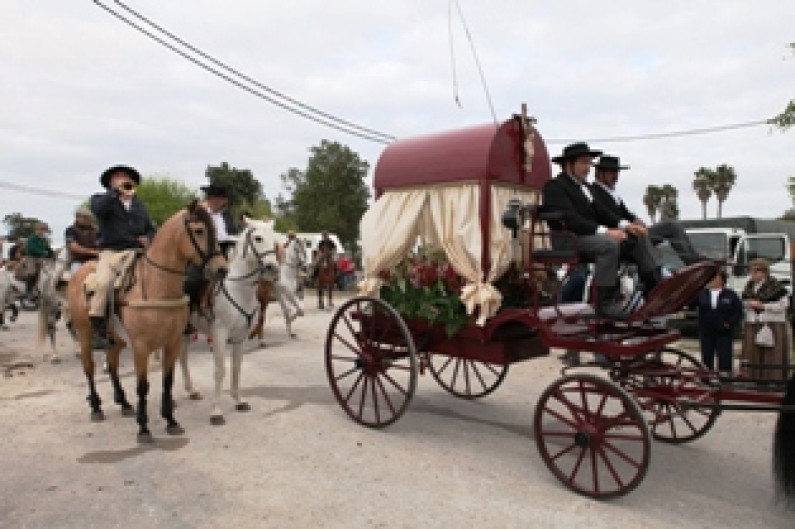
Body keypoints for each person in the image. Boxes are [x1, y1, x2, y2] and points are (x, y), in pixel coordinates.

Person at [542, 142, 662, 320]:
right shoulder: (555, 187)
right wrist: (605, 231)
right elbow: (571, 219)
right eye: (583, 162)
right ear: (569, 164)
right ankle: (603, 304)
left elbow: (603, 212)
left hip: (589, 236)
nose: (588, 168)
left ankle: (655, 288)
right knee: (609, 244)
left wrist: (626, 225)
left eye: (589, 163)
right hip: (569, 239)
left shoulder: (586, 188)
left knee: (636, 238)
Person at [590, 155, 708, 266]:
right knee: (671, 227)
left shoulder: (612, 194)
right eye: (612, 172)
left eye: (617, 172)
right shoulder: (593, 192)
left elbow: (626, 214)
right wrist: (628, 225)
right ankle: (692, 261)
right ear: (600, 173)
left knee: (673, 226)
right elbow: (605, 215)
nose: (615, 176)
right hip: (619, 239)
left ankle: (693, 259)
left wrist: (636, 220)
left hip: (631, 234)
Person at [88, 165, 155, 344]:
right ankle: (98, 329)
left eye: (125, 177)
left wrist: (147, 238)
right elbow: (99, 210)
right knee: (103, 283)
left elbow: (150, 229)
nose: (123, 179)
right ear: (110, 182)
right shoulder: (100, 199)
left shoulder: (139, 206)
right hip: (113, 251)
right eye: (117, 176)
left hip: (137, 251)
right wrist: (115, 193)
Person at [740, 258, 791, 381]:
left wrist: (763, 306)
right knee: (752, 352)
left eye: (755, 272)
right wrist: (749, 303)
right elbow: (744, 300)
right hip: (753, 323)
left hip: (772, 324)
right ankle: (753, 378)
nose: (752, 275)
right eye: (751, 272)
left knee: (771, 354)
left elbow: (784, 304)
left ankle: (772, 379)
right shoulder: (749, 285)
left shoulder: (775, 285)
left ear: (763, 273)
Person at [696, 270, 743, 377]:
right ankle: (706, 377)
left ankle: (725, 378)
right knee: (707, 355)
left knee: (724, 355)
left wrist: (730, 323)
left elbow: (738, 311)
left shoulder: (730, 294)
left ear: (722, 280)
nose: (712, 281)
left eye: (715, 278)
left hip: (724, 331)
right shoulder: (702, 293)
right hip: (706, 331)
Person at [199, 184, 237, 258]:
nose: (225, 202)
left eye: (225, 199)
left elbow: (232, 232)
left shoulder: (226, 215)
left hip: (227, 250)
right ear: (211, 199)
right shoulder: (201, 216)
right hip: (207, 252)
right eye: (221, 199)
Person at [64, 206, 99, 273]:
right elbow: (73, 247)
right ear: (77, 217)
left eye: (88, 217)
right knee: (75, 273)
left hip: (96, 260)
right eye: (85, 217)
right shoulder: (71, 230)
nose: (88, 219)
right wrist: (92, 251)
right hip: (79, 261)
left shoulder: (96, 230)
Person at [23, 222, 54, 294]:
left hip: (40, 257)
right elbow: (31, 249)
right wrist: (43, 252)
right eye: (40, 229)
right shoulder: (32, 238)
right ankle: (28, 291)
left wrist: (52, 253)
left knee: (46, 272)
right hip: (31, 257)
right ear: (36, 230)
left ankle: (42, 288)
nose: (42, 231)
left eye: (43, 230)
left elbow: (47, 248)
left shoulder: (43, 239)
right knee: (32, 272)